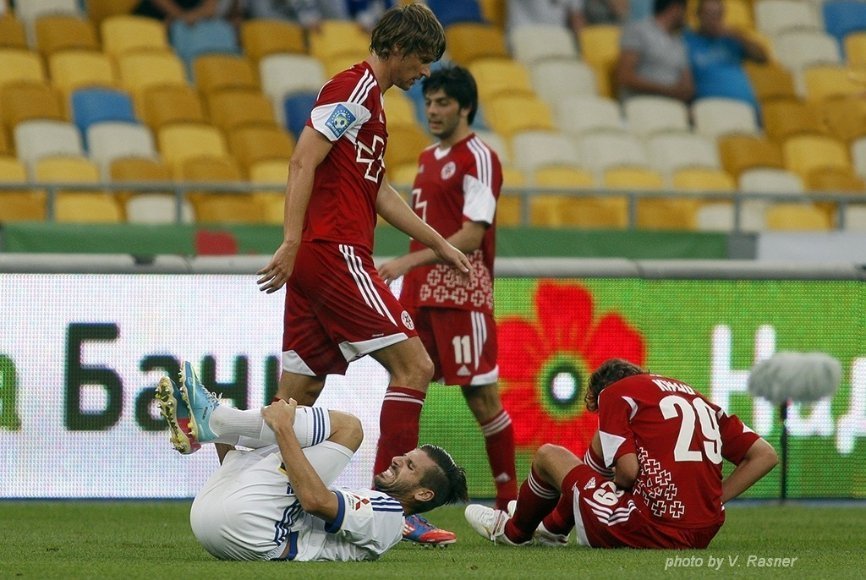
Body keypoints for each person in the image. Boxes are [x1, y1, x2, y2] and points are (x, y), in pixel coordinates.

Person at [254, 4, 471, 544]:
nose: (425, 72)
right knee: (415, 365)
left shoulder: (371, 100)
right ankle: (393, 509)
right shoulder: (353, 87)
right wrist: (291, 240)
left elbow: (377, 190)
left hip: (320, 256)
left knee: (296, 397)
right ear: (397, 48)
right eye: (421, 59)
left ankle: (235, 470)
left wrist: (438, 242)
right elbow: (302, 160)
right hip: (334, 252)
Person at [377, 66, 517, 542]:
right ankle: (387, 502)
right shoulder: (426, 158)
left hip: (461, 296)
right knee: (404, 382)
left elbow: (473, 234)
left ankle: (510, 505)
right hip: (419, 295)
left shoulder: (480, 157)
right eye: (429, 102)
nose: (433, 111)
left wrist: (409, 259)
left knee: (482, 399)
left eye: (443, 103)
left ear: (465, 107)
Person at [155, 361, 468, 561]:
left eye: (410, 466)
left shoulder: (388, 512)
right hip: (219, 525)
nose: (398, 459)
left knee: (349, 428)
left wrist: (284, 428)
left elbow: (315, 501)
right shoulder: (378, 514)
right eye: (406, 457)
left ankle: (220, 420)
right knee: (281, 456)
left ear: (423, 493)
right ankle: (215, 427)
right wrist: (226, 440)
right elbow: (253, 477)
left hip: (255, 531)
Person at [465, 358, 779, 548]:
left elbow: (628, 473)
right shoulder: (696, 397)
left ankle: (512, 531)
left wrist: (614, 485)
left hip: (651, 527)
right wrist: (714, 500)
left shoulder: (615, 394)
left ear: (599, 395)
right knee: (600, 455)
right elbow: (765, 455)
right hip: (703, 530)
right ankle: (553, 528)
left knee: (549, 455)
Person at [684, 0, 767, 114]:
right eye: (709, 14)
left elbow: (762, 58)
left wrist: (738, 36)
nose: (713, 20)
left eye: (718, 15)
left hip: (747, 107)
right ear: (698, 15)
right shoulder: (688, 40)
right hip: (713, 109)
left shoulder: (731, 39)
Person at [615, 0, 694, 103]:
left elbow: (687, 85)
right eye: (685, 11)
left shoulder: (679, 42)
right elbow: (624, 76)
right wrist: (668, 90)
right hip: (641, 103)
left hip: (672, 106)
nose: (686, 17)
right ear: (675, 8)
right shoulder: (638, 30)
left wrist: (682, 92)